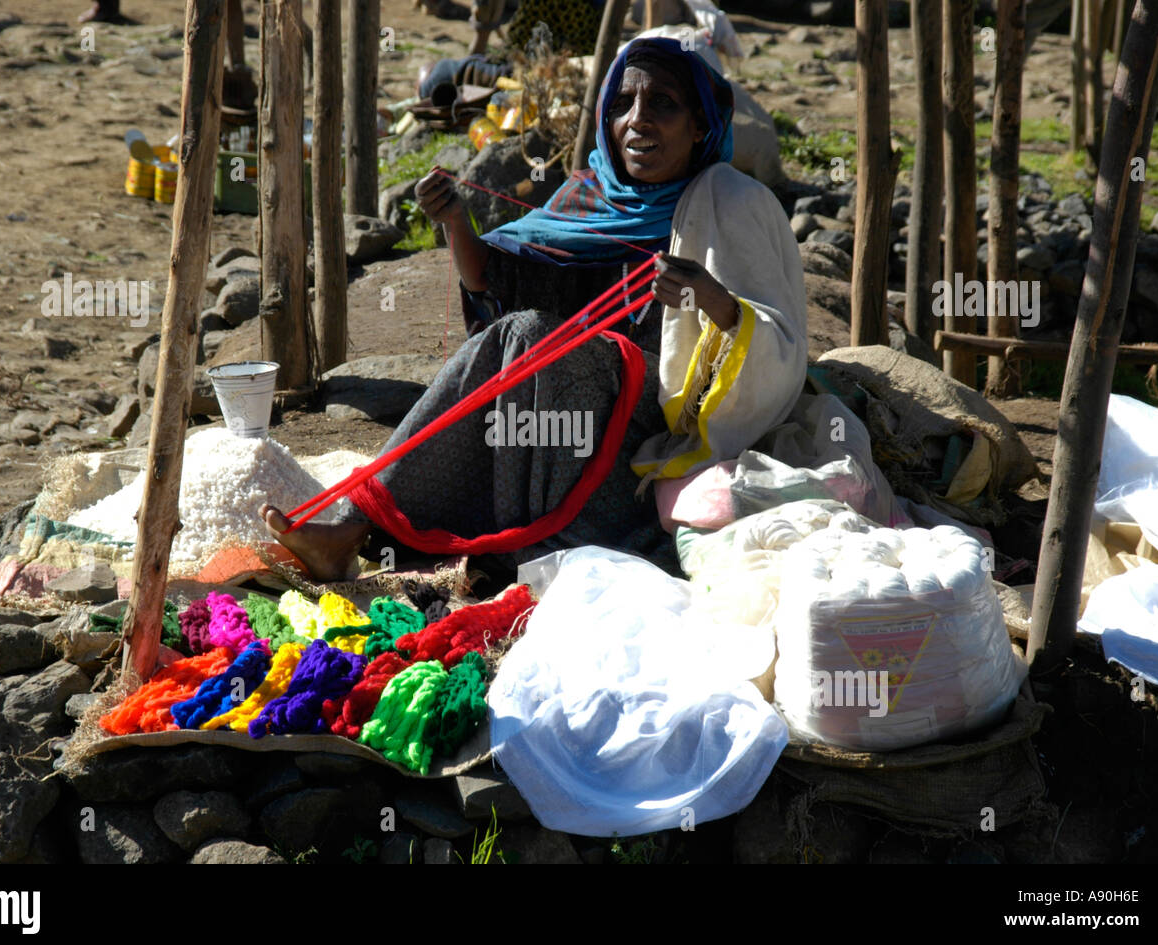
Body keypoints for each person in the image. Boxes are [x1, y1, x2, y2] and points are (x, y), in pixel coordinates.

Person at [260, 36, 806, 581]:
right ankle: (365, 526)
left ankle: (390, 531)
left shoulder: (732, 202)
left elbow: (782, 351)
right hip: (561, 418)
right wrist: (456, 223)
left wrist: (711, 299)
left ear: (701, 126)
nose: (638, 120)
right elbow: (500, 289)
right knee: (519, 335)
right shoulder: (589, 194)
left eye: (663, 103)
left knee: (527, 336)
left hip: (650, 445)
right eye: (622, 104)